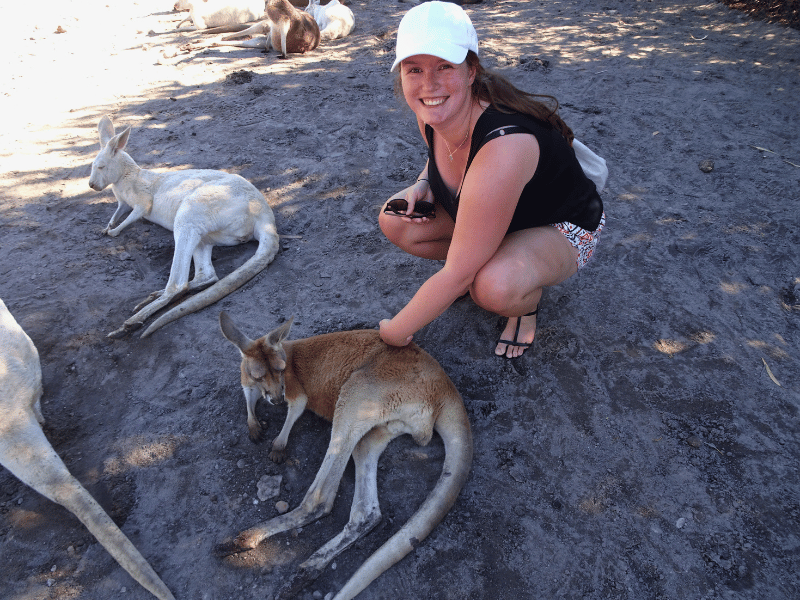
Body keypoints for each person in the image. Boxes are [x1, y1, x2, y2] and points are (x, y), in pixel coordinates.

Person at [378, 1, 605, 359]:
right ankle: (487, 258)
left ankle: (525, 304)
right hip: (502, 211)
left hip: (561, 224)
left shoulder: (503, 147)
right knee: (395, 221)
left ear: (471, 72)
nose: (429, 84)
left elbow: (455, 274)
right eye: (414, 69)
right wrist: (425, 181)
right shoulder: (433, 112)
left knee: (491, 287)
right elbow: (442, 152)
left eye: (444, 66)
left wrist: (393, 332)